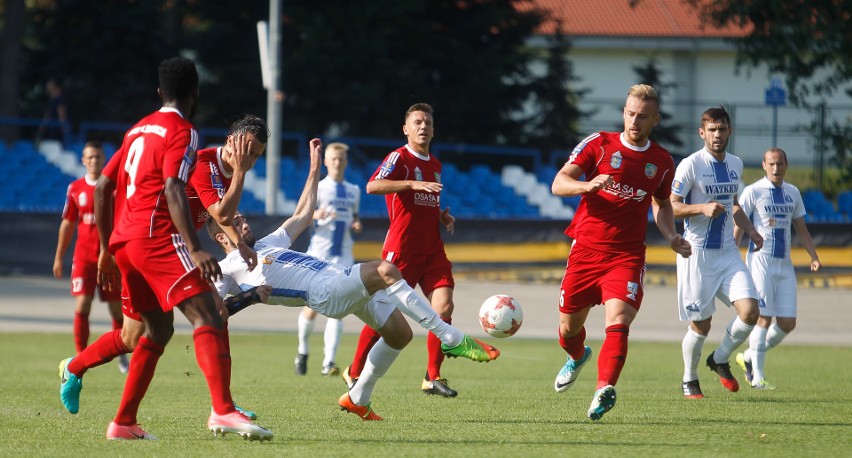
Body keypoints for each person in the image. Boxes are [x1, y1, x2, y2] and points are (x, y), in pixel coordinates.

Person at [209, 138, 499, 421]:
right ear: (221, 236)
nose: (244, 222)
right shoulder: (227, 267)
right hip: (323, 291)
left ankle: (357, 398)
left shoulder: (265, 244)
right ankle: (450, 337)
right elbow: (215, 313)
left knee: (400, 335)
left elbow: (302, 214)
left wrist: (313, 169)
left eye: (243, 217)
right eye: (235, 222)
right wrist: (249, 296)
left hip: (335, 278)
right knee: (385, 270)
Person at [69, 56, 271, 441]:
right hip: (156, 237)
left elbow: (102, 188)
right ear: (195, 93)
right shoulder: (186, 135)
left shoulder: (137, 130)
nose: (248, 158)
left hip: (126, 241)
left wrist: (108, 248)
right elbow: (177, 190)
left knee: (152, 331)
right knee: (211, 313)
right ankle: (223, 410)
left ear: (160, 91)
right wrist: (195, 249)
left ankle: (121, 420)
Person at [550, 84, 692, 421]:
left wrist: (671, 234)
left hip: (626, 256)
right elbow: (558, 183)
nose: (634, 121)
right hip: (585, 250)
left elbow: (661, 203)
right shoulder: (598, 145)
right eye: (630, 113)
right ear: (623, 112)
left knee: (619, 321)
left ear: (654, 119)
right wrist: (585, 185)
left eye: (643, 116)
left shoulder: (660, 161)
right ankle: (577, 355)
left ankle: (604, 389)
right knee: (568, 330)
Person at [344, 102, 471, 398]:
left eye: (427, 122)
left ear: (433, 129)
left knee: (444, 307)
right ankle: (353, 371)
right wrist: (411, 183)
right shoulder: (399, 158)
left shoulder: (436, 165)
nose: (423, 126)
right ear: (406, 129)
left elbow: (426, 202)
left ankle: (432, 376)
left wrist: (441, 215)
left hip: (433, 251)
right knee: (383, 318)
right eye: (417, 122)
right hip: (401, 252)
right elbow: (373, 186)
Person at [670, 106, 763, 399]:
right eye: (711, 130)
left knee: (750, 311)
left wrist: (750, 230)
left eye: (722, 129)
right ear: (702, 133)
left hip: (727, 254)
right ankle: (689, 378)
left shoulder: (735, 164)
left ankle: (720, 358)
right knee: (701, 324)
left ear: (729, 131)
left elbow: (733, 203)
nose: (717, 135)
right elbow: (669, 205)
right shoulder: (690, 165)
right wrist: (700, 208)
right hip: (696, 255)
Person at [733, 147, 821, 389]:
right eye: (771, 163)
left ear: (786, 165)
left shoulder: (793, 193)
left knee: (787, 323)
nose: (775, 168)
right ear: (763, 165)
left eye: (779, 163)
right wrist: (733, 252)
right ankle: (758, 378)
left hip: (784, 265)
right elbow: (739, 221)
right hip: (760, 263)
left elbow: (802, 230)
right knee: (763, 318)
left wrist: (813, 256)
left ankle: (749, 356)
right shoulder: (753, 191)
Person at [52, 141, 126, 371]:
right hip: (84, 257)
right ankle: (80, 356)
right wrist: (58, 256)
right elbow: (68, 223)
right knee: (83, 304)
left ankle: (121, 354)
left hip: (110, 257)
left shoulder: (113, 189)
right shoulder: (75, 188)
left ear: (104, 159)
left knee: (115, 307)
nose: (94, 161)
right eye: (89, 157)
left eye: (97, 157)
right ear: (83, 160)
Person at [296, 142, 362, 377]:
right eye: (333, 159)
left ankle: (329, 363)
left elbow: (354, 217)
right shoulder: (320, 188)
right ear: (325, 162)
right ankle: (302, 352)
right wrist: (316, 214)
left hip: (343, 255)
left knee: (339, 308)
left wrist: (356, 224)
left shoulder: (354, 190)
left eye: (341, 159)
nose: (337, 162)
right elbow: (302, 215)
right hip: (319, 254)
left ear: (345, 161)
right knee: (311, 309)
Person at [37, 79, 70, 143]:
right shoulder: (51, 100)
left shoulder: (59, 100)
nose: (48, 88)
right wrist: (42, 127)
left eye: (49, 86)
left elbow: (61, 114)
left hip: (57, 128)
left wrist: (62, 127)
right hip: (51, 127)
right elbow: (47, 115)